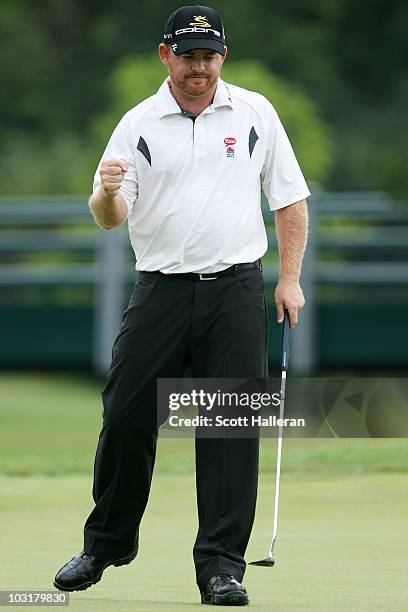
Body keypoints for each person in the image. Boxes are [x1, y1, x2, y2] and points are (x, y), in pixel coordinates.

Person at [53, 4, 310, 606]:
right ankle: (107, 543)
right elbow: (109, 219)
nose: (200, 67)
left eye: (210, 55)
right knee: (125, 414)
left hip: (236, 287)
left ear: (224, 56)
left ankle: (221, 565)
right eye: (189, 55)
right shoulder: (137, 124)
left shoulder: (255, 113)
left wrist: (289, 279)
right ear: (165, 54)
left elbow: (290, 201)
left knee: (227, 427)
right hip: (161, 287)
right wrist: (108, 192)